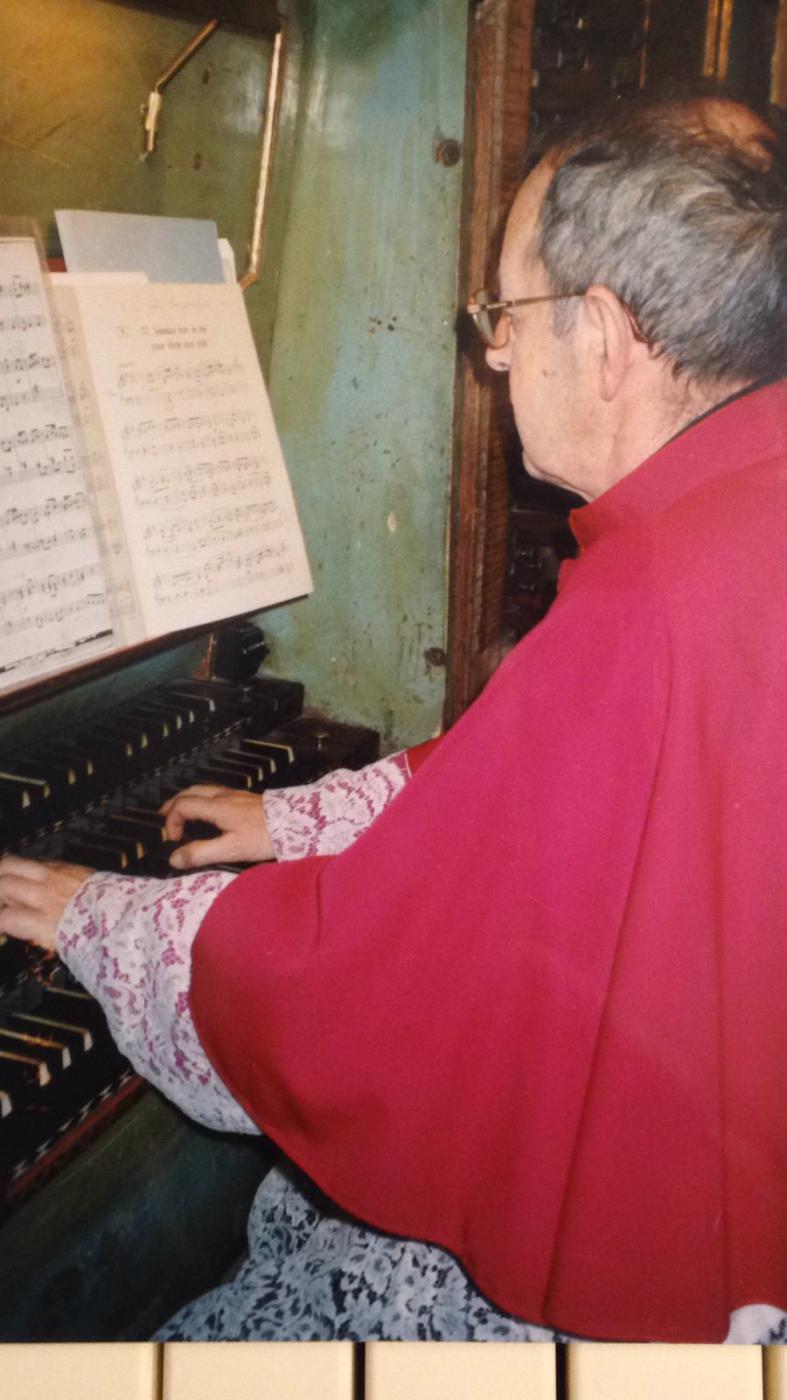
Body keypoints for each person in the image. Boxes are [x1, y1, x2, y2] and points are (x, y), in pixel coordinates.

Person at [1, 92, 787, 1345]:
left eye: (503, 314)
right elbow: (566, 794)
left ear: (602, 334)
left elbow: (374, 999)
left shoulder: (655, 597)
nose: (491, 354)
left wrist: (105, 915)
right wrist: (302, 816)